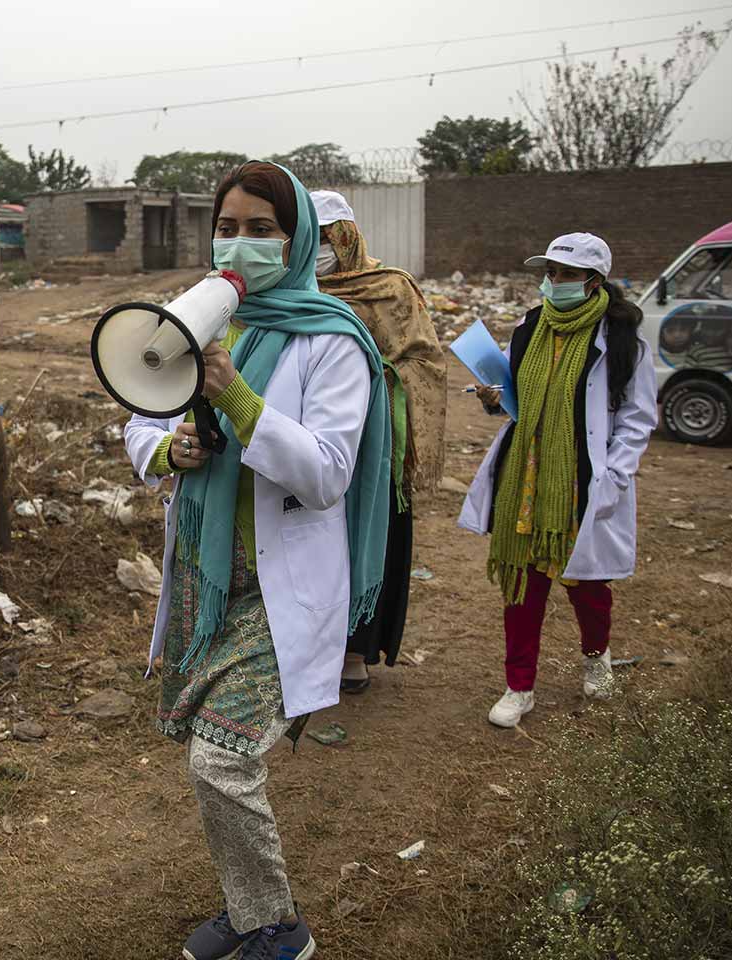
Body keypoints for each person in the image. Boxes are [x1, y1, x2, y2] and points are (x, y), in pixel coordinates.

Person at [124, 162, 391, 960]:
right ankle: (249, 917)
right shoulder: (198, 321)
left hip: (282, 593)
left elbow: (326, 474)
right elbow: (138, 417)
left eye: (262, 229)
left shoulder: (333, 342)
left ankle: (277, 929)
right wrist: (170, 447)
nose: (240, 244)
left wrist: (238, 398)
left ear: (298, 238)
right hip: (211, 582)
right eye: (228, 227)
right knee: (209, 759)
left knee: (221, 760)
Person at [458, 232, 656, 728]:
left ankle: (597, 658)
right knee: (523, 583)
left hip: (581, 478)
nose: (554, 283)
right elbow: (516, 399)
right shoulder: (528, 327)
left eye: (565, 274)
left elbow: (637, 417)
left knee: (587, 583)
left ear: (594, 281)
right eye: (549, 273)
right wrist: (492, 397)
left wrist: (615, 473)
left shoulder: (623, 340)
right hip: (527, 473)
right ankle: (519, 686)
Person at [310, 190, 446, 692]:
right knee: (312, 545)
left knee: (369, 541)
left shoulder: (391, 288)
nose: (322, 248)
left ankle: (355, 652)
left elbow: (423, 361)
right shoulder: (292, 290)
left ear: (347, 236)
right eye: (313, 238)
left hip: (377, 443)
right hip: (313, 441)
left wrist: (368, 376)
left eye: (329, 238)